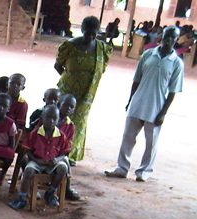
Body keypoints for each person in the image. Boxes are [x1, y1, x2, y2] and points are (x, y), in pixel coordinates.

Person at [104, 26, 184, 183]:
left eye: (172, 38)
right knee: (128, 137)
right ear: (161, 36)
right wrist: (130, 101)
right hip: (138, 102)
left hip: (156, 106)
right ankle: (122, 168)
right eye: (166, 36)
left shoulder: (176, 63)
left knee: (151, 142)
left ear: (176, 40)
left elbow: (173, 92)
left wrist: (163, 113)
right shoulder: (148, 55)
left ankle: (144, 171)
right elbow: (136, 80)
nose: (168, 40)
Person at [54, 16, 112, 163]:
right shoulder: (69, 46)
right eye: (87, 34)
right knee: (62, 119)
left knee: (79, 123)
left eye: (94, 34)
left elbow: (102, 69)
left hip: (87, 93)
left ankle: (71, 154)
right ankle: (56, 149)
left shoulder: (102, 49)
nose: (90, 37)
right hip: (67, 91)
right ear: (82, 30)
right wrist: (71, 79)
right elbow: (58, 65)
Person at [8, 105, 71, 210]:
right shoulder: (35, 133)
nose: (51, 121)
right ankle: (22, 198)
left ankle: (50, 192)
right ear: (42, 117)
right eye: (48, 117)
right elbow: (28, 151)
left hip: (53, 164)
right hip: (37, 161)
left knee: (63, 168)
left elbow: (64, 153)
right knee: (28, 170)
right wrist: (36, 160)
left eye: (54, 118)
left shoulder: (61, 136)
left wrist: (57, 160)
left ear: (58, 119)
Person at [57, 94, 80, 201]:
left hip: (58, 154)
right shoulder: (49, 118)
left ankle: (67, 188)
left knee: (65, 161)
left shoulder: (70, 126)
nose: (68, 108)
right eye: (66, 105)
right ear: (59, 104)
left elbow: (67, 147)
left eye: (72, 107)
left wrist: (59, 156)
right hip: (42, 151)